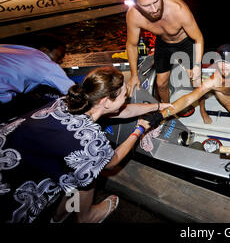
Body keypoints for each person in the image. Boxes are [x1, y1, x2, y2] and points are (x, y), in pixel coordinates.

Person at [0, 66, 173, 223]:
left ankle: (58, 217)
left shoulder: (67, 102)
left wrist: (157, 106)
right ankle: (85, 217)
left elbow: (122, 111)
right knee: (88, 174)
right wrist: (139, 130)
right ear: (105, 101)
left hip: (9, 147)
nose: (127, 96)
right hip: (12, 185)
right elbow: (112, 161)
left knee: (79, 172)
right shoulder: (91, 142)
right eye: (123, 95)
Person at [147, 44, 230, 148]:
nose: (223, 67)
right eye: (220, 62)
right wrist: (162, 114)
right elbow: (188, 99)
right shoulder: (214, 81)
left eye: (228, 62)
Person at [125, 0, 208, 122]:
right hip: (163, 43)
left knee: (196, 81)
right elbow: (131, 44)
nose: (154, 9)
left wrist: (196, 66)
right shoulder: (133, 16)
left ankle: (203, 109)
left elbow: (198, 38)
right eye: (146, 5)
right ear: (135, 4)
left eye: (156, 1)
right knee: (160, 83)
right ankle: (168, 111)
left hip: (186, 42)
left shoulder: (178, 8)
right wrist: (134, 74)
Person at [0, 35, 75, 121]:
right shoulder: (44, 63)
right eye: (59, 56)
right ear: (44, 50)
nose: (60, 61)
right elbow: (71, 90)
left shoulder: (12, 49)